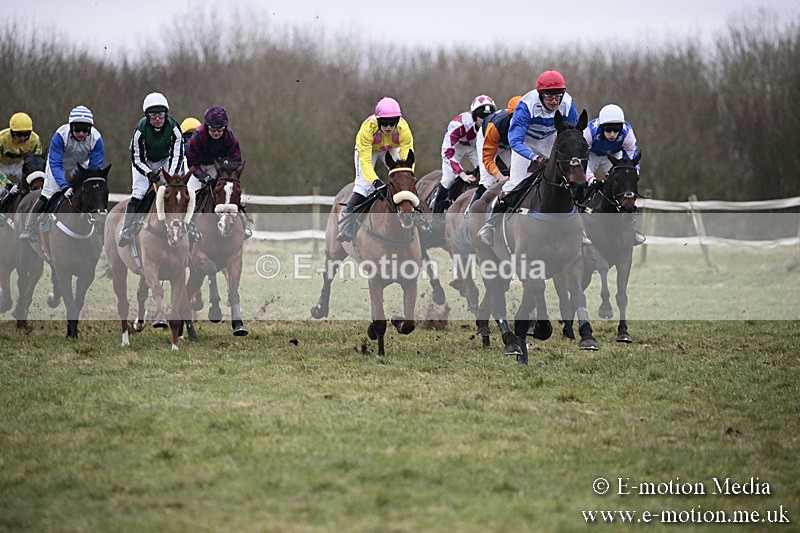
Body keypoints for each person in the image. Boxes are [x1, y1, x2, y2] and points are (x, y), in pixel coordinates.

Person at [479, 70, 578, 245]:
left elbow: (573, 133)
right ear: (540, 94)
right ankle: (490, 225)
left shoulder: (568, 104)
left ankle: (579, 230)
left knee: (569, 180)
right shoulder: (526, 106)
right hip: (525, 143)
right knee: (514, 184)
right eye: (549, 97)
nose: (554, 101)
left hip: (549, 140)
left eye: (558, 96)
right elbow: (515, 141)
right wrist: (534, 157)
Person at [19, 106, 104, 242]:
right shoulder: (60, 136)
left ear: (90, 129)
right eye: (77, 129)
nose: (81, 133)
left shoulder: (97, 139)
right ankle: (29, 228)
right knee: (48, 193)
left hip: (81, 165)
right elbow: (56, 165)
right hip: (58, 164)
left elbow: (95, 168)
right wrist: (64, 186)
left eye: (85, 130)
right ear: (71, 127)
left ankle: (98, 224)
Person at [336, 96, 415, 243]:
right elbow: (365, 162)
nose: (389, 127)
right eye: (384, 123)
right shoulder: (367, 130)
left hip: (391, 148)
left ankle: (417, 219)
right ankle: (348, 224)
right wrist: (376, 181)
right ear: (378, 121)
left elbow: (407, 163)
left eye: (393, 123)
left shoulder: (404, 129)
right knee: (363, 185)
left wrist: (404, 177)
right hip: (369, 151)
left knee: (404, 180)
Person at [118, 92, 184, 247]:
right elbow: (137, 158)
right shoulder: (140, 131)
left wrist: (170, 178)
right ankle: (126, 229)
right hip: (144, 162)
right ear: (147, 116)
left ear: (166, 114)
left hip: (165, 160)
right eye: (153, 115)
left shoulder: (175, 128)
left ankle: (187, 226)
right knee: (139, 192)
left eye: (161, 115)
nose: (158, 119)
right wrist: (148, 173)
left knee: (175, 191)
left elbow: (177, 155)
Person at [184, 105, 250, 238]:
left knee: (227, 190)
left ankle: (242, 223)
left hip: (216, 165)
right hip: (196, 165)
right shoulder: (198, 136)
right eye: (212, 129)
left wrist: (226, 169)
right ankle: (187, 225)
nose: (216, 133)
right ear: (206, 126)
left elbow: (236, 162)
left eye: (220, 129)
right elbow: (192, 163)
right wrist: (203, 176)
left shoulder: (230, 138)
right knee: (191, 193)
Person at [583, 103, 645, 245]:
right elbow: (581, 158)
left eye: (616, 130)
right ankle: (579, 226)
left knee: (622, 187)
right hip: (590, 155)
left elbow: (631, 161)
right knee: (580, 184)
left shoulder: (628, 134)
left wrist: (631, 176)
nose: (612, 134)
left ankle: (631, 230)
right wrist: (591, 179)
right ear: (601, 127)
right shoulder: (589, 132)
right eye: (608, 130)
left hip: (613, 156)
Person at [430, 95, 497, 220]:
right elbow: (447, 152)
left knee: (488, 175)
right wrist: (462, 174)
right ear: (474, 116)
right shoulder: (458, 124)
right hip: (456, 147)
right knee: (448, 180)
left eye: (489, 117)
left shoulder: (494, 124)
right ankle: (436, 216)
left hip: (474, 146)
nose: (486, 121)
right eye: (482, 117)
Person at [470, 95, 522, 210]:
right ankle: (470, 212)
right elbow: (488, 159)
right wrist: (500, 177)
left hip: (507, 144)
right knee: (488, 181)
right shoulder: (495, 126)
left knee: (519, 175)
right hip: (488, 138)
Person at [0, 112, 43, 183]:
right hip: (2, 165)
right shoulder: (1, 139)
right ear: (11, 132)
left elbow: (37, 164)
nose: (22, 138)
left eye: (27, 134)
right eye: (19, 134)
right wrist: (7, 184)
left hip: (21, 164)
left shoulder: (35, 140)